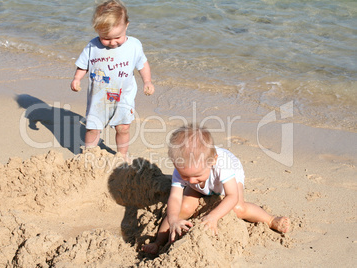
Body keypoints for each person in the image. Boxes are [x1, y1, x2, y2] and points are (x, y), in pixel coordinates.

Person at [142, 124, 290, 254]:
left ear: (212, 161)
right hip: (204, 180)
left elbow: (231, 196)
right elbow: (174, 197)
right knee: (184, 207)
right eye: (186, 177)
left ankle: (270, 220)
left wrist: (213, 216)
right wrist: (174, 219)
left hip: (226, 179)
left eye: (196, 175)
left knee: (238, 207)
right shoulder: (185, 169)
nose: (191, 181)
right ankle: (158, 242)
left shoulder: (222, 165)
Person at [70, 0, 154, 157]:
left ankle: (121, 156)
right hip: (98, 98)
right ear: (97, 31)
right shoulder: (92, 46)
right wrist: (77, 78)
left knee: (123, 128)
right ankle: (89, 153)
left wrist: (147, 81)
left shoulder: (134, 46)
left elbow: (143, 64)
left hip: (123, 97)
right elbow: (83, 65)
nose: (112, 43)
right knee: (92, 128)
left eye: (117, 37)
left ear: (126, 25)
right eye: (106, 38)